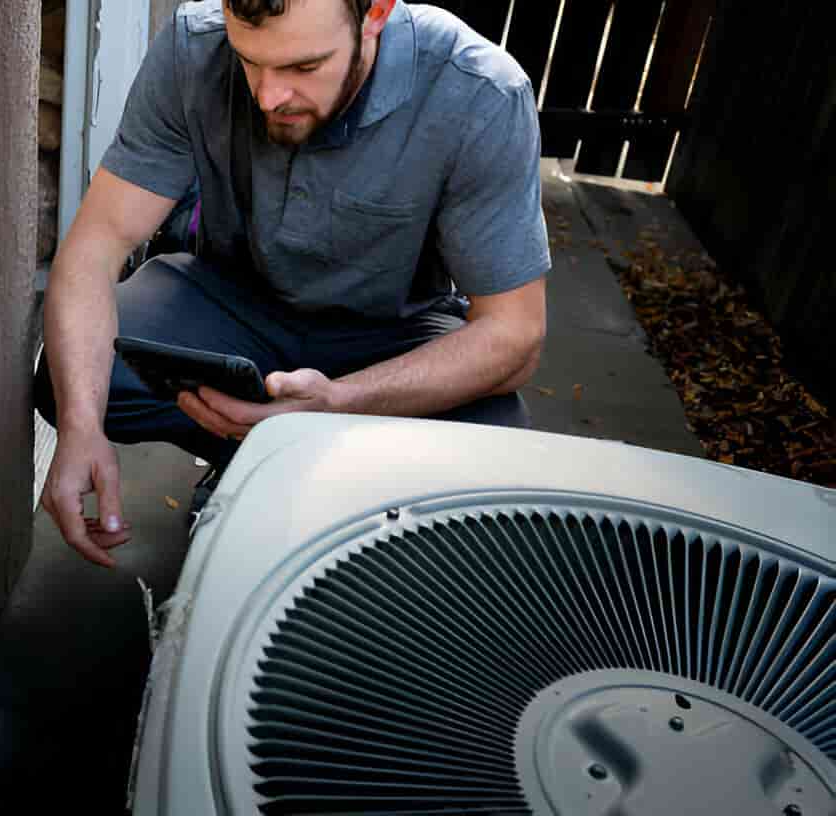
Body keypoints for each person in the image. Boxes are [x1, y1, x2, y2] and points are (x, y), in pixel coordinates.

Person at [36, 0, 550, 567]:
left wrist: (341, 403)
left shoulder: (479, 91)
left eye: (304, 66)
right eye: (249, 61)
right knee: (77, 380)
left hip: (393, 337)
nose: (268, 96)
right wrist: (80, 429)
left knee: (488, 454)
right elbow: (94, 248)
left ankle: (307, 487)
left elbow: (515, 335)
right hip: (235, 310)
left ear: (375, 13)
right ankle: (261, 463)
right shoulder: (194, 47)